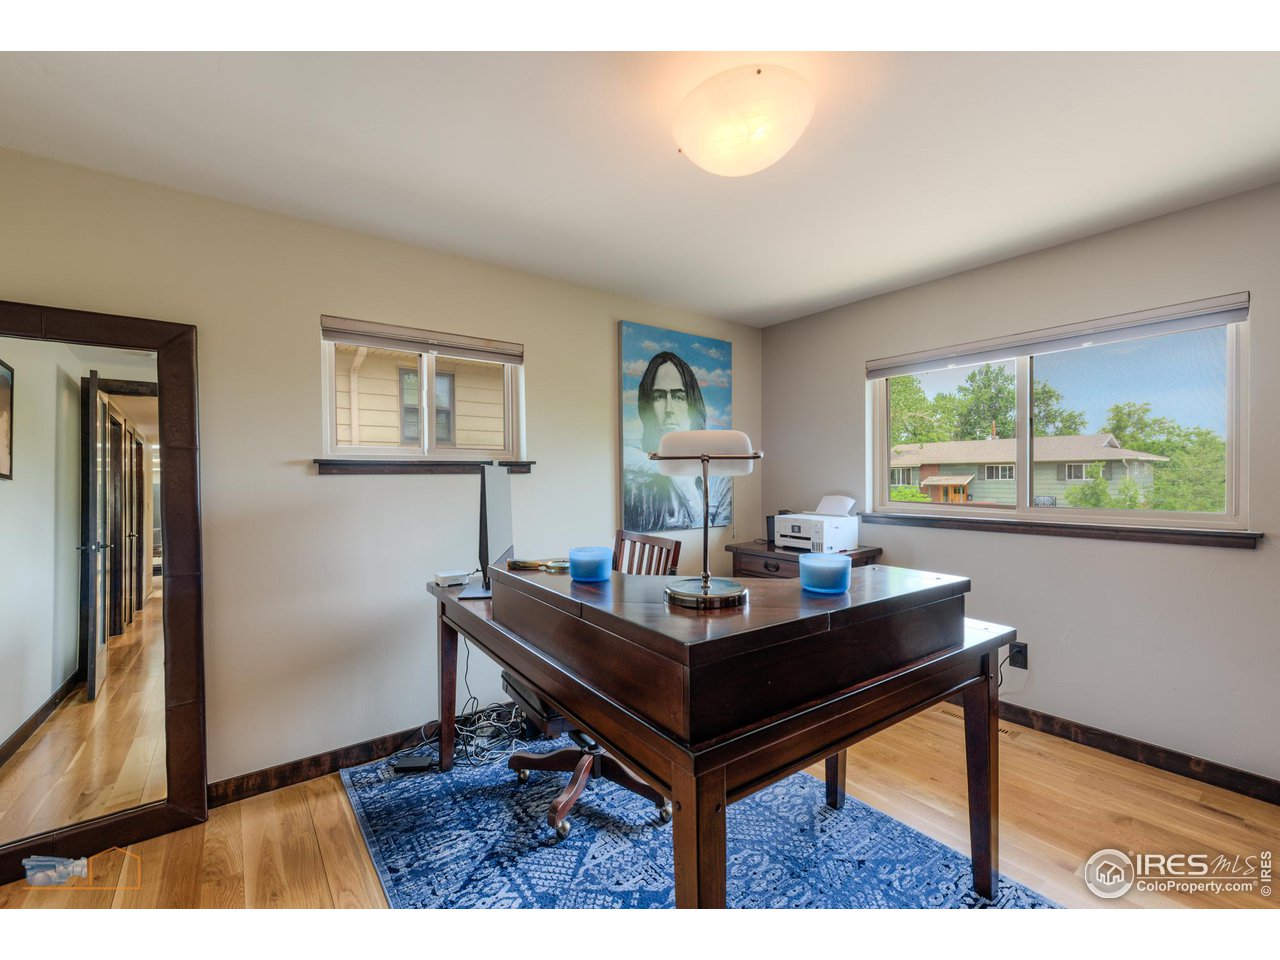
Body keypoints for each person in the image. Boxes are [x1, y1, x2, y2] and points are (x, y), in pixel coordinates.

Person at [624, 351, 731, 531]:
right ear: (646, 404)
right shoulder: (631, 460)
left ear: (692, 405)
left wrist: (684, 485)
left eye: (678, 397)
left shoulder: (720, 477)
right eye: (659, 396)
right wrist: (670, 471)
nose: (669, 409)